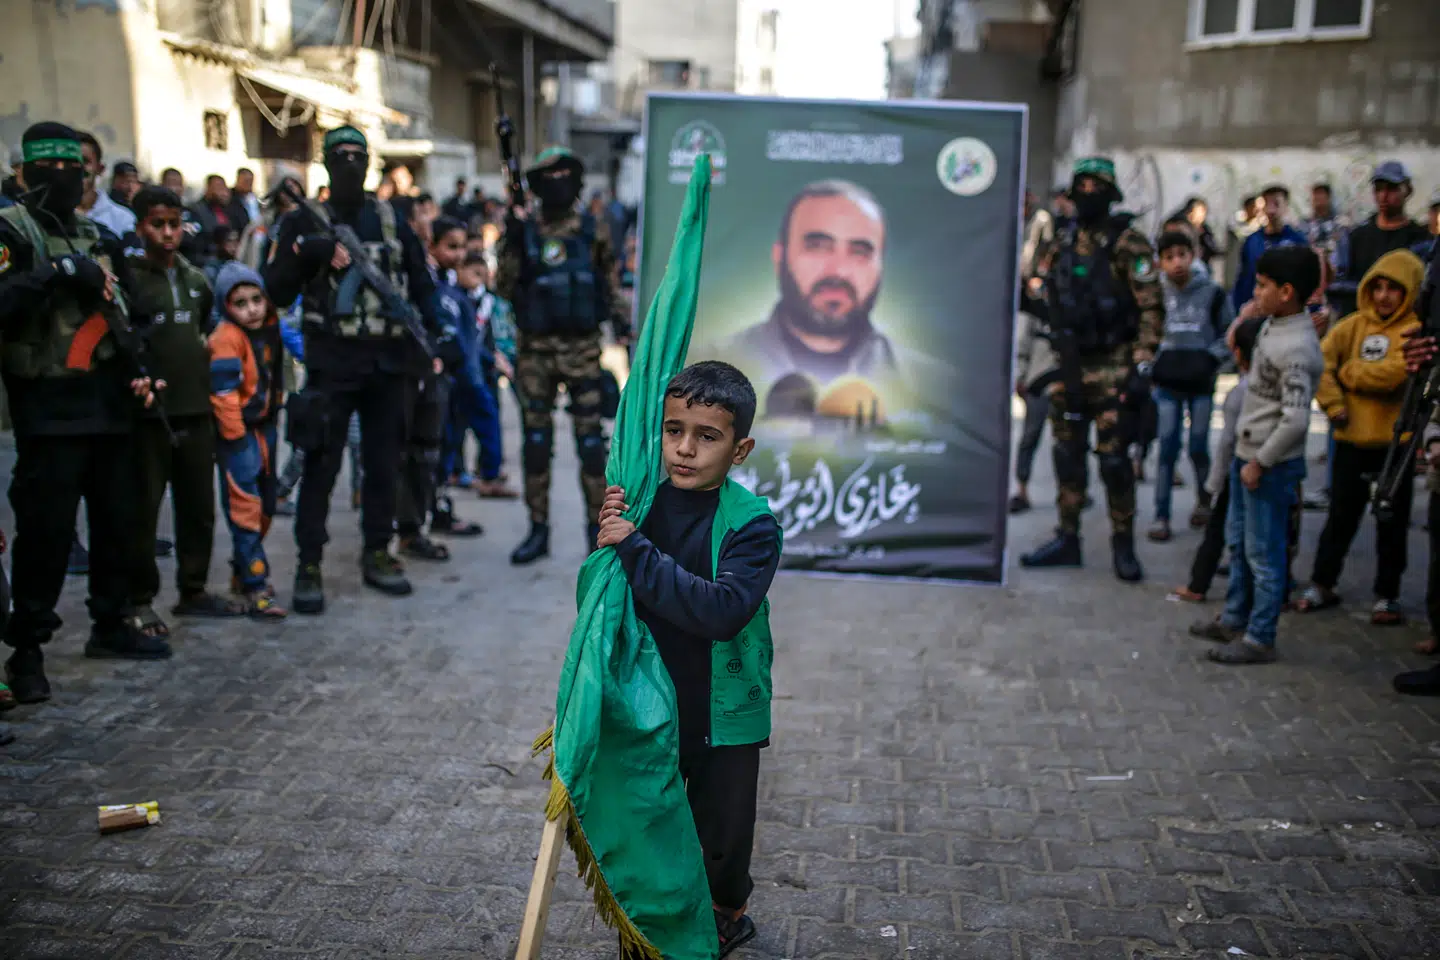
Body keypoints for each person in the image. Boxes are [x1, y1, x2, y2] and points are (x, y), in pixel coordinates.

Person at [595, 361, 781, 959]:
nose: (684, 449)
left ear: (741, 448)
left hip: (722, 709)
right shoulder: (644, 500)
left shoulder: (753, 526)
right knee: (652, 811)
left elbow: (720, 610)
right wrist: (613, 529)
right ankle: (656, 910)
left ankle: (729, 913)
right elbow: (615, 571)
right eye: (674, 430)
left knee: (724, 836)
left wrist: (634, 547)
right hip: (651, 697)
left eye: (707, 436)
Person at [0, 121, 167, 703]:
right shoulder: (12, 232)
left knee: (119, 524)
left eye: (76, 169)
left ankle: (110, 622)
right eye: (53, 170)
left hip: (110, 407)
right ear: (26, 171)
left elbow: (134, 312)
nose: (67, 180)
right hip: (48, 410)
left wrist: (140, 368)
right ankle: (27, 649)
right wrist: (55, 273)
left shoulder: (100, 235)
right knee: (45, 536)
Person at [263, 125, 441, 611]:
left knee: (384, 464)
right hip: (331, 363)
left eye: (357, 155)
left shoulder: (389, 218)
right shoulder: (305, 221)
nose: (348, 163)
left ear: (369, 162)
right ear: (325, 163)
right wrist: (306, 256)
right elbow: (274, 290)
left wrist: (438, 332)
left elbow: (422, 283)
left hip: (389, 363)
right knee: (320, 463)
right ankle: (309, 562)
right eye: (338, 155)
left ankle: (377, 552)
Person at [1019, 157, 1165, 582]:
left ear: (1109, 192)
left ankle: (1123, 543)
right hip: (1069, 364)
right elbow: (1040, 287)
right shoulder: (1061, 241)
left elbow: (1150, 307)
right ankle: (1067, 537)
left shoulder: (1128, 243)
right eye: (1078, 186)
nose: (1084, 194)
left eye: (1093, 187)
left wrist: (1142, 362)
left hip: (1114, 366)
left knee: (1114, 460)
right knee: (1067, 454)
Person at [495, 146, 630, 564]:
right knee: (536, 443)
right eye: (547, 176)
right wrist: (514, 245)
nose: (556, 183)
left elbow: (608, 283)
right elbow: (502, 287)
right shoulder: (524, 229)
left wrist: (625, 330)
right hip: (535, 351)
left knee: (592, 445)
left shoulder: (593, 228)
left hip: (583, 348)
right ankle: (539, 529)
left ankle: (598, 529)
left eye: (563, 175)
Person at [1190, 246, 1323, 664]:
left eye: (1263, 286)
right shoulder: (1270, 326)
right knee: (1240, 545)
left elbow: (1296, 421)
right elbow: (1237, 337)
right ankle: (1234, 618)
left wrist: (1260, 462)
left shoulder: (1298, 346)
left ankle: (1260, 636)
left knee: (1264, 555)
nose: (1255, 291)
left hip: (1268, 466)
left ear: (1286, 292)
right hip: (1247, 458)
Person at [705, 179, 937, 406]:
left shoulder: (932, 386)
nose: (839, 271)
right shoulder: (705, 372)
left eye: (859, 252)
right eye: (817, 247)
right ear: (780, 257)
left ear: (880, 266)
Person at [126, 185, 243, 636]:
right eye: (158, 224)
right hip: (150, 415)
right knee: (144, 509)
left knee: (198, 506)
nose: (168, 233)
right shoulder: (130, 278)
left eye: (174, 224)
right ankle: (139, 600)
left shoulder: (195, 280)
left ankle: (193, 588)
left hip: (196, 410)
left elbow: (206, 331)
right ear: (141, 227)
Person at [1294, 249, 1424, 624]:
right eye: (1377, 287)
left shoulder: (1414, 332)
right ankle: (1323, 582)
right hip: (1349, 441)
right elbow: (1320, 365)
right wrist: (1335, 406)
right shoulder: (1351, 326)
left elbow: (1398, 373)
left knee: (1392, 522)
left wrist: (1352, 373)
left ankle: (1387, 594)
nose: (1383, 296)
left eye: (1393, 289)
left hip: (1394, 446)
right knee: (1341, 516)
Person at [393, 217, 485, 559]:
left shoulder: (450, 282)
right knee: (414, 452)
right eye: (452, 246)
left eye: (463, 247)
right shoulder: (422, 279)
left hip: (443, 376)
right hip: (416, 375)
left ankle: (429, 516)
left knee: (435, 450)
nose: (459, 255)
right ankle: (408, 527)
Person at [208, 263, 287, 617]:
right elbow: (223, 392)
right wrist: (236, 437)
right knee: (246, 507)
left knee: (267, 503)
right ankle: (256, 583)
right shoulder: (226, 336)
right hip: (240, 433)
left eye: (257, 299)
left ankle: (244, 569)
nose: (251, 309)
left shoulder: (269, 330)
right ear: (226, 306)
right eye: (240, 303)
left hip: (265, 427)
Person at [1147, 229, 1233, 541]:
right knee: (1167, 445)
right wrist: (1149, 364)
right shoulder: (1156, 294)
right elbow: (1146, 333)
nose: (1177, 263)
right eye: (1169, 257)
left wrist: (1212, 359)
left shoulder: (1211, 292)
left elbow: (1229, 332)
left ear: (1192, 255)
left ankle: (1204, 501)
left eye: (1182, 255)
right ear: (1161, 262)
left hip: (1200, 383)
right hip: (1167, 383)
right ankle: (1161, 515)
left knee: (1198, 444)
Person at [1173, 317, 1264, 602]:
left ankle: (1202, 587)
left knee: (1225, 533)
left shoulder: (1240, 393)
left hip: (1241, 468)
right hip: (1264, 467)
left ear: (1237, 353)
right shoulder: (1264, 387)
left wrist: (1212, 485)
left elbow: (1226, 444)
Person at [444, 247, 515, 502]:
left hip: (478, 373)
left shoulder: (486, 301)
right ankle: (453, 472)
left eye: (482, 275)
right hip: (462, 374)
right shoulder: (452, 297)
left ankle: (488, 473)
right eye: (474, 274)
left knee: (485, 423)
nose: (479, 281)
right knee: (453, 428)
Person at [1328, 161, 1433, 320]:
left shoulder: (1421, 239)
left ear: (1408, 190)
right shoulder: (1356, 237)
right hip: (1360, 322)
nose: (1383, 196)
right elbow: (1339, 284)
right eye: (1378, 189)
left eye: (1391, 189)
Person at [1009, 305, 1058, 514]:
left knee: (1069, 442)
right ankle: (1022, 490)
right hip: (1038, 380)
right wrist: (1020, 377)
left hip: (1064, 380)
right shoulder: (1036, 303)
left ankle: (1072, 491)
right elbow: (1022, 342)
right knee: (1030, 436)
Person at [1232, 185, 1307, 313]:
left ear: (1286, 206)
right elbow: (1243, 277)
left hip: (1285, 312)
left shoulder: (1298, 241)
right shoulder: (1252, 241)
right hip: (1254, 310)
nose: (1271, 210)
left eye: (1276, 204)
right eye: (1267, 203)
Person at [75, 132, 136, 240]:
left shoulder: (123, 219)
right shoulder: (49, 216)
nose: (78, 168)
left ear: (100, 169)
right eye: (73, 161)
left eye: (85, 161)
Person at [188, 174, 232, 265]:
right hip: (205, 262)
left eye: (224, 188)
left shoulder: (226, 210)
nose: (223, 192)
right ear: (208, 188)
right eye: (219, 188)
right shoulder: (196, 211)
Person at [228, 167, 260, 231]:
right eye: (246, 181)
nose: (249, 184)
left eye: (251, 181)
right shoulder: (229, 197)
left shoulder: (253, 198)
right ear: (238, 179)